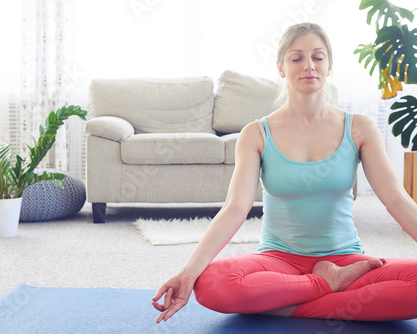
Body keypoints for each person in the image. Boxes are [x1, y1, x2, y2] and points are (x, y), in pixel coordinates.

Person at [152, 22, 417, 323]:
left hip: (346, 261)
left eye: (318, 57)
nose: (309, 66)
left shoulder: (359, 128)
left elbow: (395, 199)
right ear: (281, 67)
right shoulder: (257, 133)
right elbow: (236, 207)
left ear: (329, 66)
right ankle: (326, 286)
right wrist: (188, 272)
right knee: (210, 284)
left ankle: (285, 304)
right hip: (278, 263)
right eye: (296, 58)